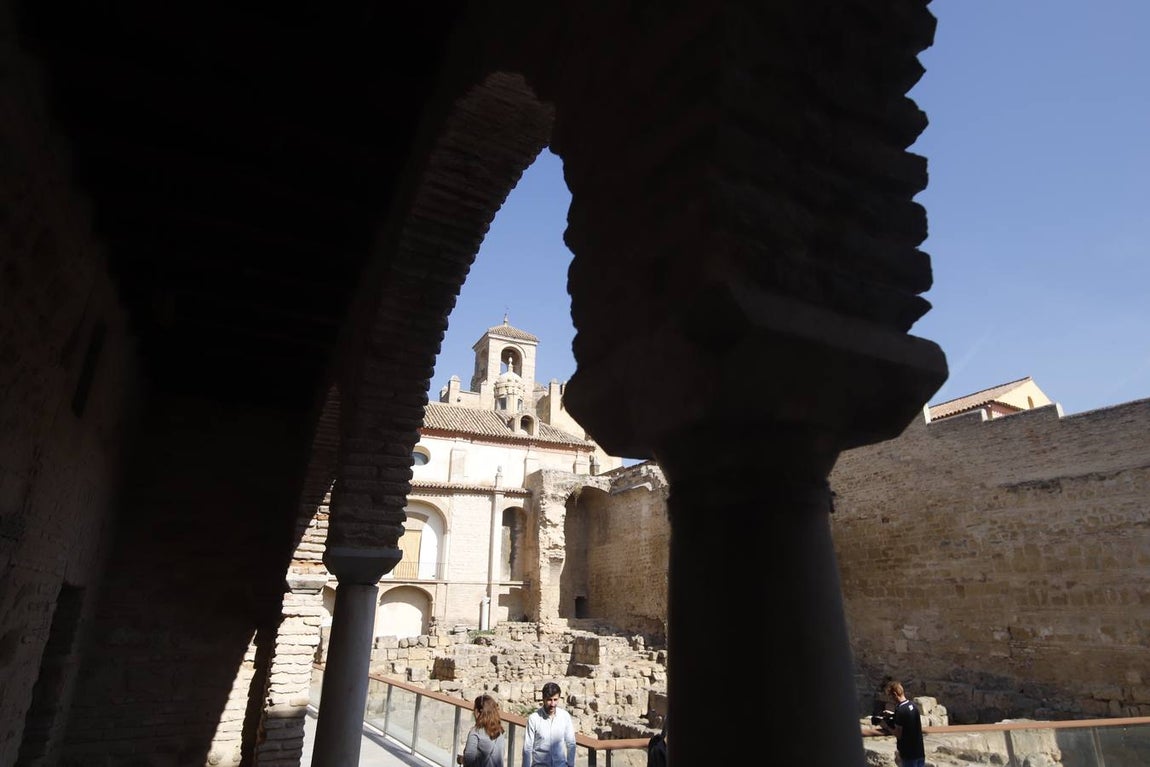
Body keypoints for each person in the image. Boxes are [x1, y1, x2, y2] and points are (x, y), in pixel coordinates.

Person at [522, 682, 576, 767]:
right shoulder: (534, 719)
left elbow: (571, 743)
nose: (552, 704)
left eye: (555, 700)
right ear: (543, 699)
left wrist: (571, 765)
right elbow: (527, 748)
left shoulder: (564, 716)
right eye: (549, 700)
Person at [879, 680, 925, 767]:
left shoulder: (901, 710)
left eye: (890, 696)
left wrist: (885, 725)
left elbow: (898, 734)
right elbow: (907, 720)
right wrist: (893, 715)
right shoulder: (913, 706)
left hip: (908, 755)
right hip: (919, 753)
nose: (891, 699)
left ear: (895, 694)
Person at [461, 694, 506, 767]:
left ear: (478, 712)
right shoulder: (500, 731)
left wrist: (461, 760)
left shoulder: (475, 733)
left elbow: (469, 761)